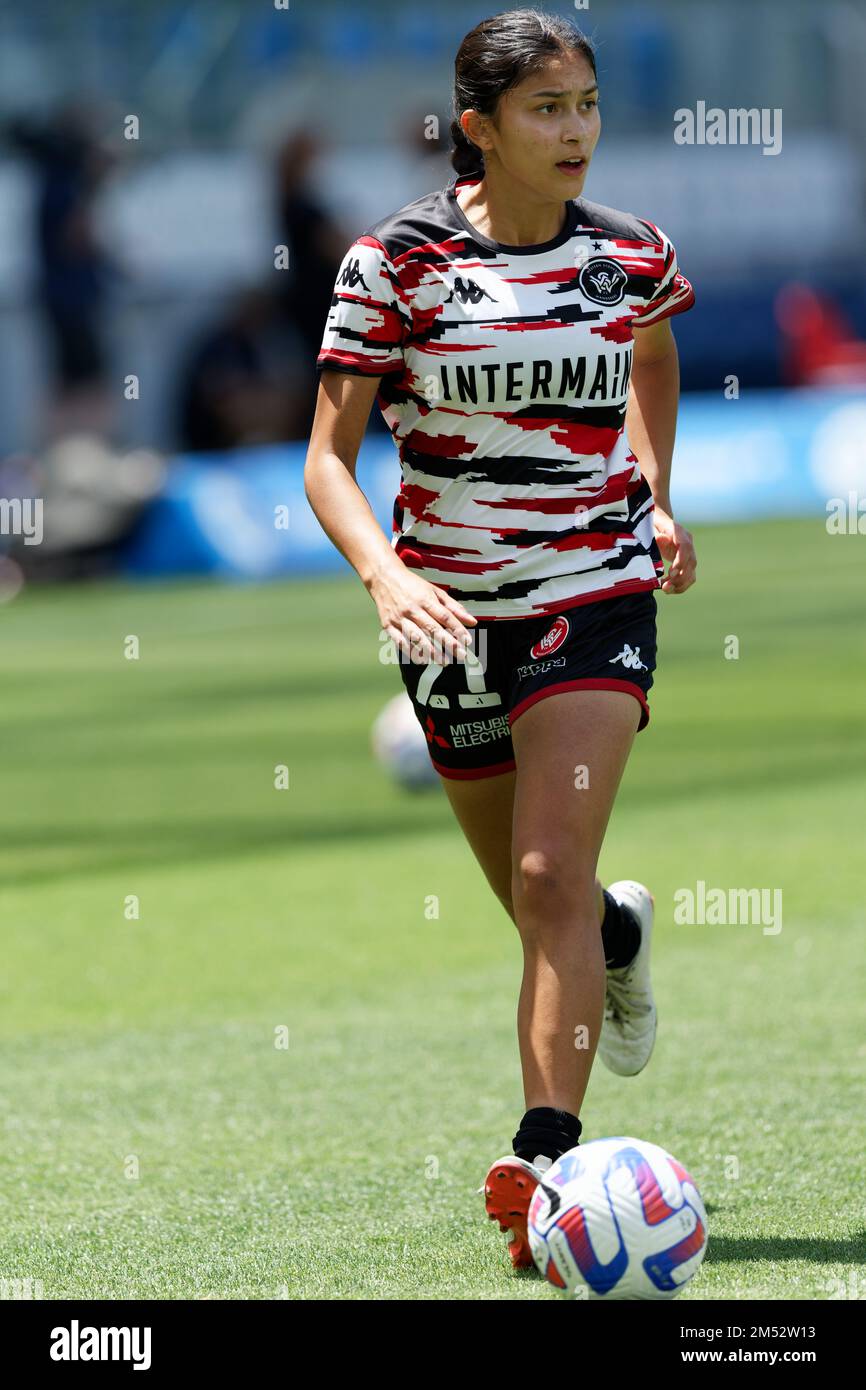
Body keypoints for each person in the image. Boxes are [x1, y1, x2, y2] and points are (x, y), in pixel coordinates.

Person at [305, 8, 697, 1272]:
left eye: (583, 103)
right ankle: (616, 938)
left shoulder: (630, 255)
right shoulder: (394, 265)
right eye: (544, 110)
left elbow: (650, 359)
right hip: (449, 616)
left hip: (593, 592)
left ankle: (544, 1160)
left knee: (542, 880)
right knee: (542, 907)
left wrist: (654, 496)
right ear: (478, 128)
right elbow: (326, 462)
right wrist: (385, 579)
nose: (574, 129)